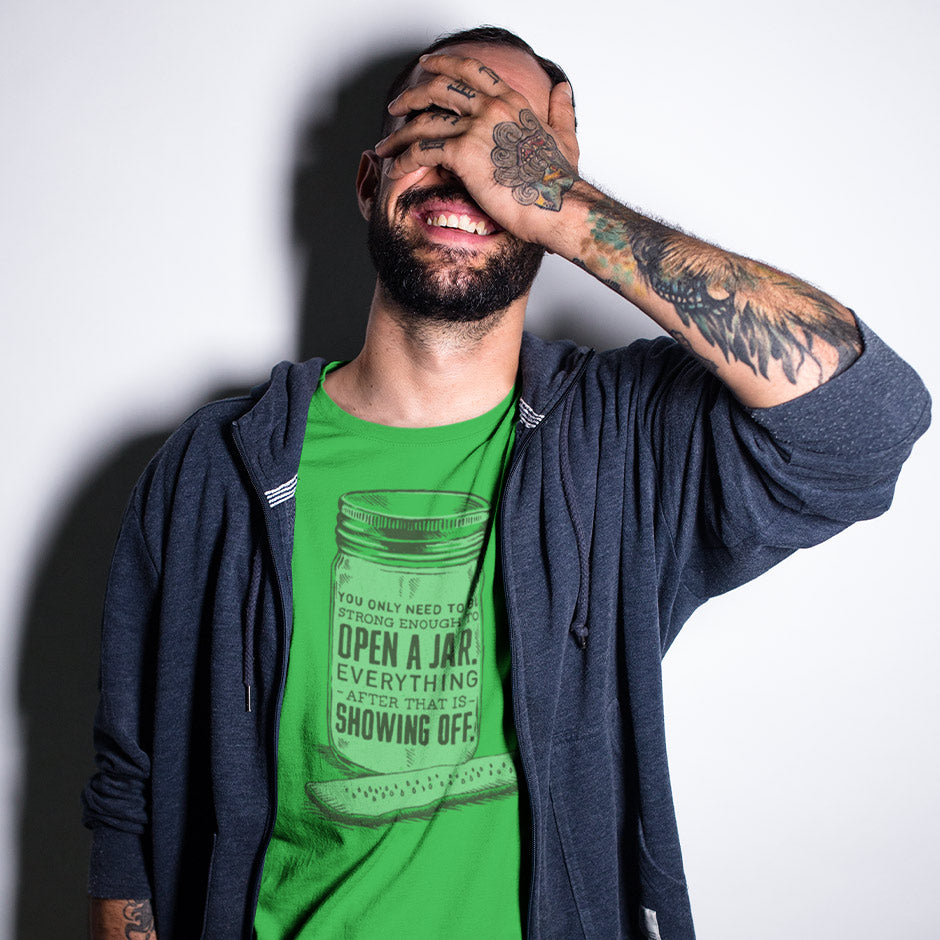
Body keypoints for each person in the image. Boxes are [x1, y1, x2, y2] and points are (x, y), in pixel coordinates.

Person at [82, 25, 929, 940]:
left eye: (505, 138)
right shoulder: (216, 466)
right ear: (370, 182)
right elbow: (128, 798)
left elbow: (866, 422)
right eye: (435, 124)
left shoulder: (622, 444)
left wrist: (569, 209)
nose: (467, 165)